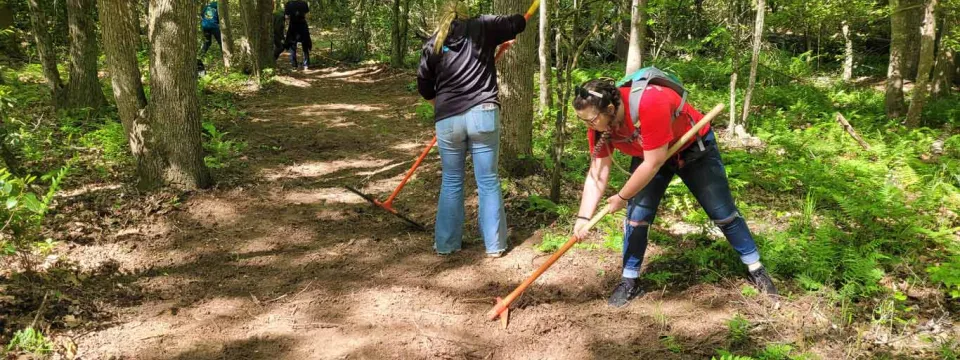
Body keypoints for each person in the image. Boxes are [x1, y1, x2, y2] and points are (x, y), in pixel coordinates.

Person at [570, 78, 778, 307]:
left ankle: (755, 267)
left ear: (610, 108)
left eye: (590, 120)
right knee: (636, 219)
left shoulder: (649, 103)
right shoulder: (600, 126)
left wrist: (621, 197)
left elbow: (653, 163)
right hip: (648, 153)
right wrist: (583, 218)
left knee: (722, 212)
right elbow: (598, 173)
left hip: (692, 148)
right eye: (583, 121)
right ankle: (629, 281)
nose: (588, 126)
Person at [416, 1, 526, 257]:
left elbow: (424, 86)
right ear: (466, 11)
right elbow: (517, 22)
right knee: (488, 181)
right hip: (483, 114)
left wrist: (441, 105)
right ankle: (495, 246)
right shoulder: (483, 26)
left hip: (448, 120)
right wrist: (505, 33)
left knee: (452, 181)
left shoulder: (433, 43)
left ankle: (446, 244)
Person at [281, 0, 312, 70]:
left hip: (293, 26)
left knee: (292, 45)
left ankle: (294, 65)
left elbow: (286, 17)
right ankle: (306, 64)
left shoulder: (289, 4)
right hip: (302, 25)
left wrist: (292, 17)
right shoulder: (304, 3)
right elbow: (308, 15)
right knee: (305, 44)